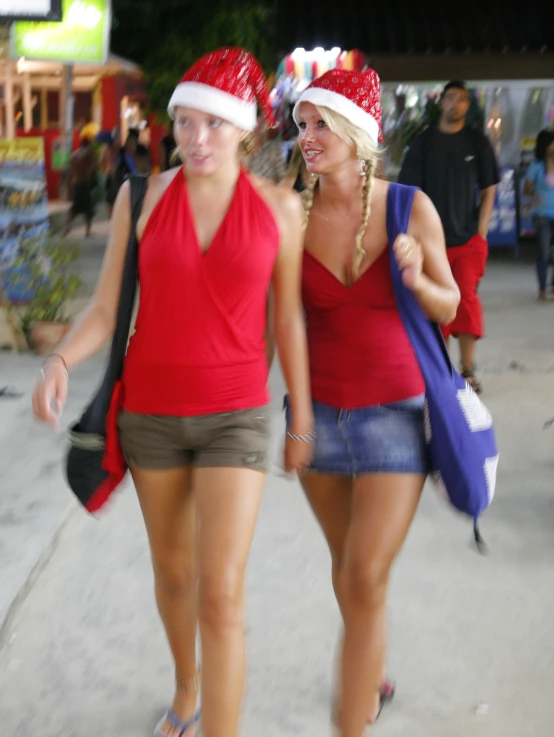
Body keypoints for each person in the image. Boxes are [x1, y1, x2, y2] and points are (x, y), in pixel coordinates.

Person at [32, 47, 313, 737]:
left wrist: (300, 417)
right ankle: (186, 687)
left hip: (237, 418)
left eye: (214, 124)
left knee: (220, 595)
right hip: (151, 415)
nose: (196, 138)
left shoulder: (280, 209)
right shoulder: (142, 196)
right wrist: (60, 360)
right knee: (175, 573)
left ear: (245, 129)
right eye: (185, 123)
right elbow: (105, 310)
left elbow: (288, 319)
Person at [289, 69, 460, 737]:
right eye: (302, 125)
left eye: (321, 124)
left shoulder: (408, 206)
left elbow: (450, 305)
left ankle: (351, 717)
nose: (307, 137)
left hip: (395, 412)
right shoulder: (290, 214)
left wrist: (419, 278)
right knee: (349, 570)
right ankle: (375, 668)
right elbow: (281, 321)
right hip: (319, 420)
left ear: (357, 134)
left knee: (363, 573)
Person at [398, 80, 499, 394]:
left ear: (468, 105)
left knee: (466, 300)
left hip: (467, 240)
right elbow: (408, 193)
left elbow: (489, 188)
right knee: (433, 304)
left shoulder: (476, 142)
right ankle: (440, 369)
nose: (456, 104)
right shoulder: (423, 143)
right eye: (450, 98)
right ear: (441, 102)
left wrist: (481, 233)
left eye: (462, 99)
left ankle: (467, 369)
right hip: (430, 242)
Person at [523, 129, 554, 300]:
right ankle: (542, 289)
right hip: (542, 215)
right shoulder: (536, 167)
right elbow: (526, 188)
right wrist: (533, 194)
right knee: (543, 251)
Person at [64, 136, 97, 237]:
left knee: (75, 207)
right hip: (85, 183)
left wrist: (69, 184)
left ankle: (67, 227)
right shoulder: (88, 154)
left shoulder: (74, 155)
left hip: (76, 183)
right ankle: (87, 231)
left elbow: (70, 171)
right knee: (88, 208)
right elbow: (92, 168)